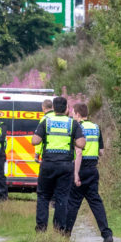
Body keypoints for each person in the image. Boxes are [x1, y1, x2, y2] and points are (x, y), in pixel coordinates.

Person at [31, 96, 85, 233]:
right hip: (65, 165)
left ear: (53, 108)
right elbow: (81, 144)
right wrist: (71, 140)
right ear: (67, 108)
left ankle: (41, 229)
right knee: (62, 197)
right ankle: (59, 229)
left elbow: (35, 141)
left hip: (48, 164)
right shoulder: (72, 123)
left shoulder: (46, 122)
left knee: (43, 196)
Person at [66, 103, 113, 242]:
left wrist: (75, 173)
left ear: (78, 115)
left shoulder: (77, 127)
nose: (73, 116)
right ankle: (106, 234)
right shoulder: (96, 127)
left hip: (80, 167)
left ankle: (65, 233)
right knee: (95, 201)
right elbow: (101, 151)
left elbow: (78, 152)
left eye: (73, 113)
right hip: (93, 168)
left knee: (73, 202)